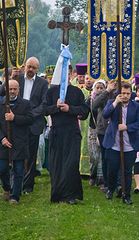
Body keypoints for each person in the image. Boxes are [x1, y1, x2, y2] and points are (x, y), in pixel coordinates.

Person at [43, 65, 89, 204]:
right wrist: (55, 107)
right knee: (57, 163)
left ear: (70, 75)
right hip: (56, 131)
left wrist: (70, 109)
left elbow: (84, 110)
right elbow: (44, 109)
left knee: (71, 163)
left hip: (72, 131)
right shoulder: (51, 92)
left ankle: (71, 195)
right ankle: (58, 194)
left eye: (67, 74)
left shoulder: (76, 92)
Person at [0, 80, 34, 205]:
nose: (12, 91)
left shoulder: (25, 104)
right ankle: (6, 187)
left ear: (18, 90)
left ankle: (15, 196)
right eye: (10, 89)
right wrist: (2, 139)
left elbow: (30, 119)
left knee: (18, 171)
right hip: (3, 143)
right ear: (6, 89)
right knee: (3, 169)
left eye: (15, 89)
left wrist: (15, 118)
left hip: (19, 142)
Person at [103, 81, 139, 205]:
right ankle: (110, 188)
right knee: (112, 168)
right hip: (113, 144)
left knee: (127, 171)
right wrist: (116, 102)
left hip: (129, 144)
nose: (125, 96)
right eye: (123, 93)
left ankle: (126, 195)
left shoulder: (136, 106)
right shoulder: (112, 103)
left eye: (127, 93)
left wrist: (127, 127)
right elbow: (105, 114)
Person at [16, 57, 48, 195]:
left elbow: (44, 104)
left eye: (34, 68)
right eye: (29, 67)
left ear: (37, 69)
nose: (31, 70)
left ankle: (28, 185)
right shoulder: (17, 79)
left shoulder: (43, 83)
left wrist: (29, 115)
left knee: (31, 155)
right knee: (17, 154)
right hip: (17, 122)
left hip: (34, 123)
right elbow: (4, 94)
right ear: (25, 66)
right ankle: (16, 182)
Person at [86, 79, 106, 187]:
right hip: (93, 129)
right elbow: (85, 112)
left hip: (103, 129)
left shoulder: (107, 100)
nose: (99, 90)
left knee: (102, 156)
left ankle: (101, 179)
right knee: (94, 156)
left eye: (101, 88)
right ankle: (93, 175)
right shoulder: (90, 100)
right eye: (97, 87)